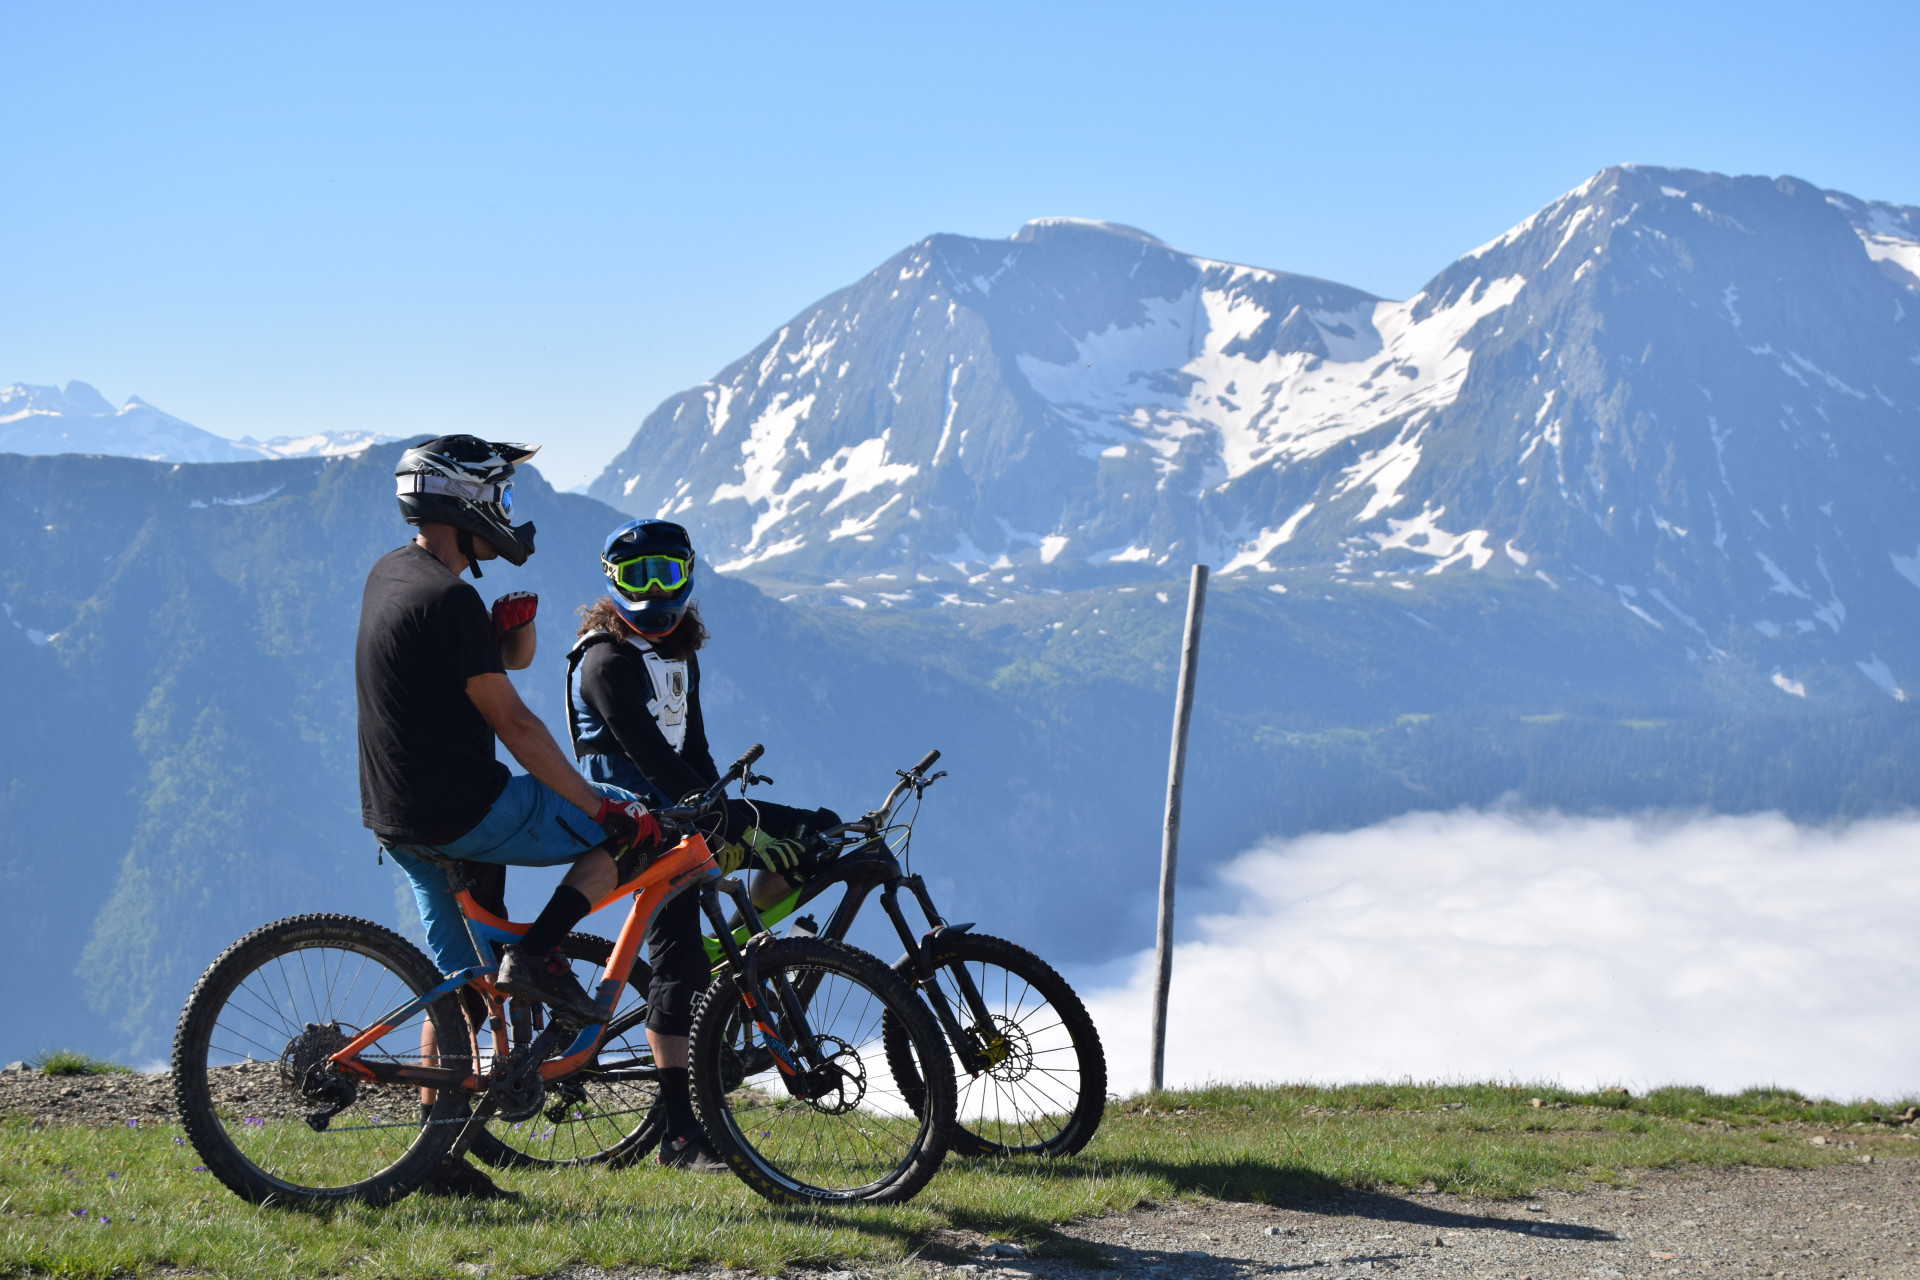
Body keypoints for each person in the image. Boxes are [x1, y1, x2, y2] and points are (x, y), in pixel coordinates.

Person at [356, 434, 660, 1198]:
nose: (506, 511)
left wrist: (504, 636)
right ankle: (542, 952)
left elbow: (471, 671)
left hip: (401, 819)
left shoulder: (395, 575)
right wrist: (603, 807)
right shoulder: (449, 599)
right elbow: (517, 727)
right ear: (464, 502)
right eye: (500, 496)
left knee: (454, 988)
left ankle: (437, 1165)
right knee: (630, 840)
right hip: (468, 810)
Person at [565, 517, 839, 1171]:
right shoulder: (605, 661)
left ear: (688, 576)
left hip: (687, 814)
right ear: (613, 585)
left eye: (666, 573)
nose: (654, 590)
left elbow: (694, 749)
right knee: (677, 969)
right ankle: (680, 1135)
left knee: (819, 836)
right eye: (638, 576)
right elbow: (651, 760)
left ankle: (732, 954)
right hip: (636, 827)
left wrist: (724, 809)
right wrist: (728, 820)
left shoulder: (678, 654)